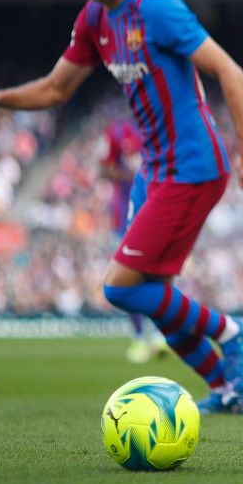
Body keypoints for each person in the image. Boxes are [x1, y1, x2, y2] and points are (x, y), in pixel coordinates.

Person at [0, 0, 243, 414]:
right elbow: (56, 88)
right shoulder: (93, 19)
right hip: (153, 171)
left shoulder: (159, 10)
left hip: (193, 167)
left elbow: (230, 72)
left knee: (119, 287)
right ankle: (229, 389)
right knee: (154, 294)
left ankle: (235, 331)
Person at [98, 117, 163, 364]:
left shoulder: (162, 122)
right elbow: (103, 168)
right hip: (125, 212)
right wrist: (128, 173)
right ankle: (139, 336)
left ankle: (158, 333)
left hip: (157, 209)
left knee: (154, 273)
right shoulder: (116, 131)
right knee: (126, 275)